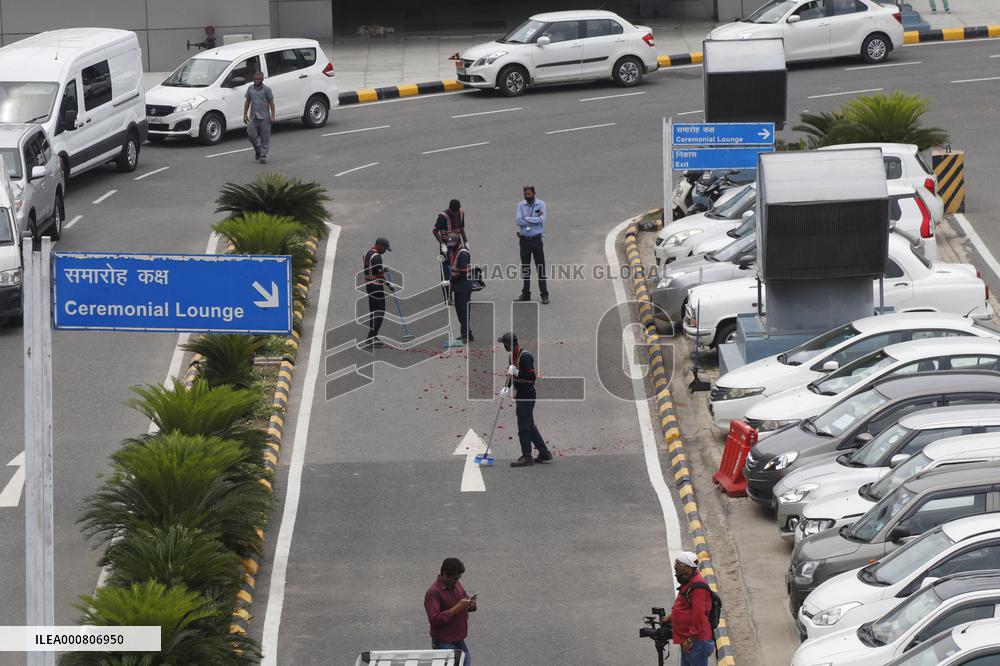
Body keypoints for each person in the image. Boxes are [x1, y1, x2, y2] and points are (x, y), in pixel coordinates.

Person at [498, 332, 552, 467]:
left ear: (509, 344)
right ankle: (544, 453)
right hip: (520, 393)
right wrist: (506, 387)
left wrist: (517, 372)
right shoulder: (512, 356)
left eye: (504, 344)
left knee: (523, 426)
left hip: (527, 394)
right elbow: (511, 374)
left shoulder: (525, 356)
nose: (503, 346)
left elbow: (531, 377)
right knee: (529, 425)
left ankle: (527, 456)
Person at [663, 551, 714, 666]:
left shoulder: (698, 587)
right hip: (688, 639)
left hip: (697, 642)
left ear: (688, 567)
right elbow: (685, 605)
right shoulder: (688, 582)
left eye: (678, 564)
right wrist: (671, 617)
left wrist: (690, 639)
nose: (675, 566)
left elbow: (698, 615)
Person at [424, 557, 476, 665]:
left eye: (458, 578)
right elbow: (434, 619)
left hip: (458, 639)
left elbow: (463, 597)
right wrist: (455, 609)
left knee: (467, 662)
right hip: (443, 642)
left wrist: (469, 604)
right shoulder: (433, 593)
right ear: (444, 573)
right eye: (454, 579)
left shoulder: (455, 583)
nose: (457, 581)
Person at [515, 185, 549, 305]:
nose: (527, 196)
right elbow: (518, 221)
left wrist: (527, 219)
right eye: (525, 194)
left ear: (534, 193)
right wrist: (534, 218)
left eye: (529, 194)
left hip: (536, 240)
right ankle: (526, 293)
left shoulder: (541, 204)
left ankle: (544, 294)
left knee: (540, 267)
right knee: (526, 268)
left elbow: (542, 219)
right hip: (524, 240)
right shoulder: (520, 205)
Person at [442, 234, 473, 343]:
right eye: (449, 245)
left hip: (464, 285)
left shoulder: (463, 254)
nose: (450, 247)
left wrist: (451, 281)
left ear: (458, 243)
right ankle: (467, 334)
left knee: (463, 311)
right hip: (457, 285)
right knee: (459, 311)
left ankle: (465, 335)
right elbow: (450, 261)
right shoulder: (452, 251)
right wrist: (443, 260)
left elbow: (463, 274)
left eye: (452, 245)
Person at [362, 237, 392, 348]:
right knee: (380, 311)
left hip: (368, 285)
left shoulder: (367, 253)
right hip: (376, 286)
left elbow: (372, 269)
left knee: (373, 311)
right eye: (384, 249)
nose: (385, 251)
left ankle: (372, 336)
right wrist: (389, 285)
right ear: (379, 246)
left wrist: (381, 270)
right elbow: (379, 276)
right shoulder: (377, 257)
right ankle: (371, 337)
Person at [243, 71, 275, 164]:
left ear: (262, 79)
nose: (256, 81)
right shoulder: (250, 88)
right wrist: (245, 114)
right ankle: (258, 150)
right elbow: (247, 101)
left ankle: (263, 156)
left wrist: (273, 116)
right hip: (253, 117)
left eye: (258, 79)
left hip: (264, 117)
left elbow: (271, 103)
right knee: (250, 134)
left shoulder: (267, 89)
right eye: (255, 79)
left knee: (265, 138)